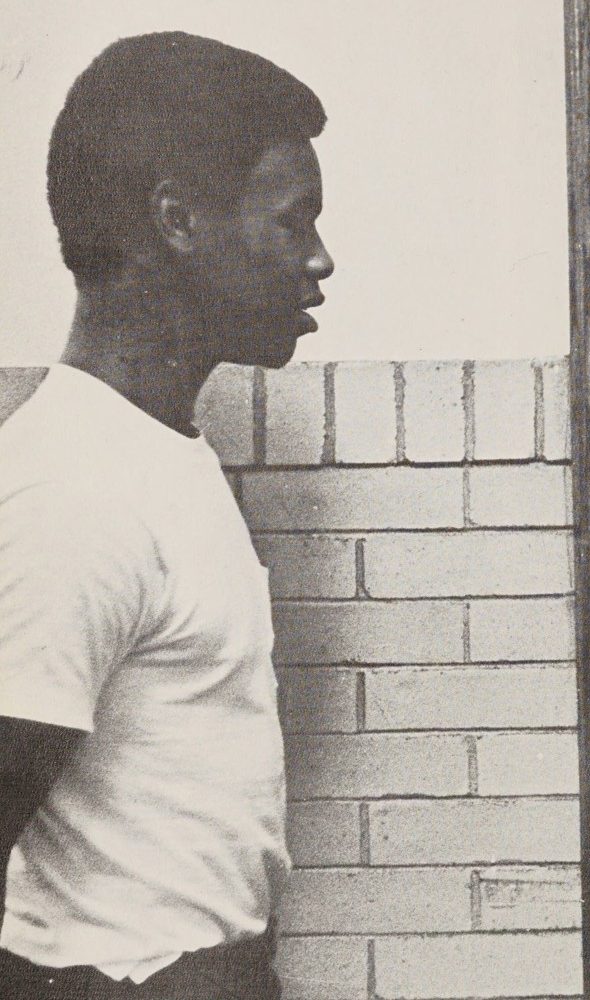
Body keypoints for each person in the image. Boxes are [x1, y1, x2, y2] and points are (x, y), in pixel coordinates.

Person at [0, 31, 333, 999]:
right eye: (292, 221)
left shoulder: (157, 450)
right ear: (178, 221)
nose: (319, 259)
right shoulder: (74, 489)